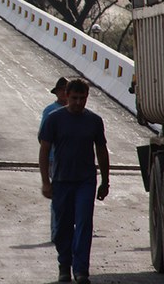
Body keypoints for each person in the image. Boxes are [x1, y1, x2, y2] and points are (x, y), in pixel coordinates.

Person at [38, 78, 110, 284]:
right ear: (66, 96)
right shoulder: (54, 119)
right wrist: (46, 181)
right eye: (75, 98)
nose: (79, 103)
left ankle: (81, 270)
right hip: (61, 181)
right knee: (63, 226)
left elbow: (102, 151)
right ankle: (64, 264)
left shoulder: (94, 121)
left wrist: (105, 181)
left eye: (83, 98)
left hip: (85, 181)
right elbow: (44, 150)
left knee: (85, 222)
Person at [39, 76, 69, 243]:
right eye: (62, 90)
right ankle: (56, 232)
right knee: (58, 195)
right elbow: (42, 137)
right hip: (53, 160)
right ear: (57, 92)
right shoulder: (50, 110)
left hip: (69, 160)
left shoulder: (74, 111)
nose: (64, 93)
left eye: (67, 90)